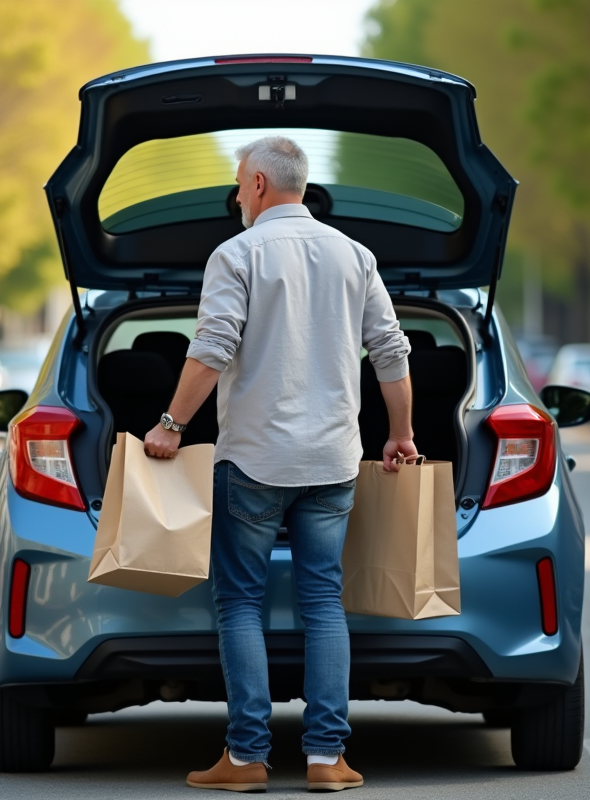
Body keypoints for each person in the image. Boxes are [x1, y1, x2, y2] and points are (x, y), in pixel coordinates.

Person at [144, 135, 414, 793]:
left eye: (239, 184)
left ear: (260, 184)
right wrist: (400, 433)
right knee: (324, 598)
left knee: (240, 601)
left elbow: (211, 347)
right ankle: (326, 758)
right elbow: (390, 348)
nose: (237, 195)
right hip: (332, 462)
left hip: (256, 462)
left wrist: (171, 424)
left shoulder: (237, 255)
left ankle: (246, 758)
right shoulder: (356, 256)